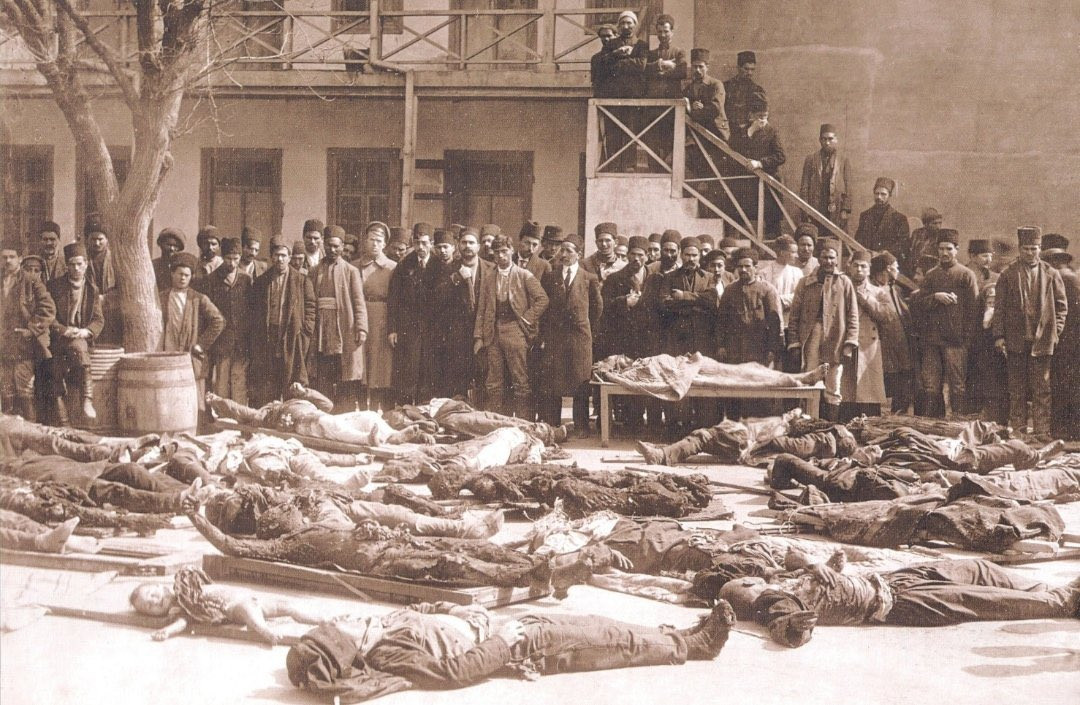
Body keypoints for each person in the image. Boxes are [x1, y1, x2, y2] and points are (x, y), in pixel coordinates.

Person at [286, 600, 734, 701]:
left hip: (500, 629)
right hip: (516, 645)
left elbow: (418, 610)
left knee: (603, 626)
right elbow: (454, 673)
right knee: (609, 639)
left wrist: (451, 609)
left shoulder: (378, 627)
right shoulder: (387, 653)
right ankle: (695, 646)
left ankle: (678, 635)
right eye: (341, 625)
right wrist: (504, 640)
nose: (346, 617)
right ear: (348, 645)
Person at [720, 558, 1080, 648]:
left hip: (894, 578)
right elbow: (784, 626)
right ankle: (1064, 601)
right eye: (749, 583)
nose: (756, 581)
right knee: (983, 601)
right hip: (898, 602)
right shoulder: (774, 600)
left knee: (977, 569)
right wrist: (796, 628)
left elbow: (801, 565)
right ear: (748, 591)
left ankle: (1045, 589)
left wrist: (822, 564)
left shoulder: (781, 581)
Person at [991, 227, 1068, 441]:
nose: (1030, 253)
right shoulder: (1008, 274)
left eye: (1034, 248)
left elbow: (1062, 307)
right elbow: (999, 308)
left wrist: (1055, 332)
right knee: (1017, 389)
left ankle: (1042, 431)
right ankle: (1019, 430)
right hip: (1016, 340)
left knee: (1042, 388)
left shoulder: (1051, 274)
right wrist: (999, 336)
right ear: (1019, 248)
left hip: (1042, 341)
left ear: (1040, 248)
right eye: (1026, 248)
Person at [130, 567, 340, 644]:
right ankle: (264, 631)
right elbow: (182, 623)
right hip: (232, 606)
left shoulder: (184, 587)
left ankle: (322, 619)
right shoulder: (181, 607)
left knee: (288, 606)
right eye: (150, 606)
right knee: (250, 614)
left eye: (152, 595)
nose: (154, 601)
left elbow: (198, 575)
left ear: (159, 586)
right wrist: (167, 631)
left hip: (249, 596)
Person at [207, 383, 433, 446]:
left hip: (318, 415)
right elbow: (240, 411)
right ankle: (367, 439)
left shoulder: (301, 400)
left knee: (369, 415)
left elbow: (328, 404)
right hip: (303, 423)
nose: (276, 400)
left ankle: (393, 435)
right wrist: (218, 401)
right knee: (329, 425)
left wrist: (305, 392)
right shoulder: (269, 413)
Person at [473, 234, 548, 419]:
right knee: (493, 381)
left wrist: (527, 319)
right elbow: (482, 308)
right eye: (497, 252)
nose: (500, 256)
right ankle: (496, 421)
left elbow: (542, 299)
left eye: (504, 251)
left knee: (520, 378)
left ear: (512, 251)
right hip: (493, 333)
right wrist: (479, 337)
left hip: (515, 330)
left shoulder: (523, 275)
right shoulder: (489, 277)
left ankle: (524, 422)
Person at [538, 233, 602, 433]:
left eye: (569, 250)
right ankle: (553, 424)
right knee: (554, 379)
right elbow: (545, 307)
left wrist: (586, 329)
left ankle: (581, 425)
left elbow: (597, 308)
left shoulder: (589, 278)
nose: (563, 254)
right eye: (562, 250)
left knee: (580, 380)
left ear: (578, 254)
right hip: (556, 336)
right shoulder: (551, 276)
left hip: (580, 337)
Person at [911, 229, 979, 418]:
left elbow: (973, 310)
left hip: (956, 341)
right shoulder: (931, 275)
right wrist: (935, 297)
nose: (944, 253)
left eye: (949, 249)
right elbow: (919, 303)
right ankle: (933, 423)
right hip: (932, 340)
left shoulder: (966, 275)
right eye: (941, 249)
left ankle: (957, 421)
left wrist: (966, 340)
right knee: (931, 384)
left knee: (957, 384)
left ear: (957, 249)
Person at [787, 239, 858, 417]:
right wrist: (794, 342)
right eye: (824, 257)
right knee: (809, 379)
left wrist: (849, 343)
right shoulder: (805, 282)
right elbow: (794, 315)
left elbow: (852, 315)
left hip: (836, 338)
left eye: (832, 258)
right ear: (818, 258)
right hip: (811, 336)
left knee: (833, 384)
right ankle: (809, 421)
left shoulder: (844, 282)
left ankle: (830, 423)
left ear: (837, 259)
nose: (828, 261)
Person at [249, 239, 316, 405]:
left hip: (292, 336)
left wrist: (305, 332)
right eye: (276, 255)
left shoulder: (301, 280)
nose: (280, 259)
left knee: (291, 382)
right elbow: (254, 311)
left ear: (289, 257)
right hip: (268, 337)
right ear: (271, 256)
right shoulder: (261, 282)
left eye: (283, 255)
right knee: (268, 384)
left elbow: (311, 307)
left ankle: (289, 415)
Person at [45, 242, 104, 425]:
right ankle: (64, 422)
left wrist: (86, 331)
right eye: (72, 264)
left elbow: (98, 320)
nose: (76, 268)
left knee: (78, 347)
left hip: (80, 338)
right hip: (57, 338)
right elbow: (47, 316)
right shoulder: (54, 287)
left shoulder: (92, 290)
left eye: (79, 264)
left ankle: (87, 400)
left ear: (86, 264)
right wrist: (64, 330)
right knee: (54, 370)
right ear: (66, 265)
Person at [309, 227, 367, 405]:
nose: (332, 250)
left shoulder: (351, 271)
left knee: (344, 372)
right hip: (321, 328)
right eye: (329, 245)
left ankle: (343, 410)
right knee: (322, 371)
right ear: (323, 245)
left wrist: (361, 328)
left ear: (342, 246)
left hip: (344, 325)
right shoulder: (314, 270)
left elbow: (359, 302)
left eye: (336, 246)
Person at [159, 252, 225, 406]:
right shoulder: (162, 297)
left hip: (191, 356)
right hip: (169, 353)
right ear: (172, 273)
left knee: (194, 401)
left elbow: (219, 320)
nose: (183, 278)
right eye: (180, 274)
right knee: (171, 398)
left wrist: (201, 344)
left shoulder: (198, 298)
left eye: (187, 275)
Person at [388, 223, 441, 405]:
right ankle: (405, 409)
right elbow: (394, 299)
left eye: (425, 243)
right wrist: (392, 329)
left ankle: (424, 409)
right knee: (408, 371)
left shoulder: (439, 265)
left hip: (432, 328)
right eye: (417, 243)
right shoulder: (404, 265)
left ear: (431, 243)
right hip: (408, 328)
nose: (421, 247)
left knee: (428, 371)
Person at [1, 248, 54, 420]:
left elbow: (48, 309)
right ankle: (8, 434)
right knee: (6, 390)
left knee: (24, 389)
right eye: (4, 257)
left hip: (23, 345)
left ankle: (31, 430)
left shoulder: (31, 281)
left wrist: (31, 330)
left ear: (20, 258)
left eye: (12, 257)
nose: (8, 261)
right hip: (3, 345)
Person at [203, 238, 253, 405]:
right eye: (228, 258)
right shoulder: (211, 280)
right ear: (222, 257)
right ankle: (222, 415)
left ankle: (240, 415)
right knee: (222, 383)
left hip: (241, 341)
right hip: (222, 341)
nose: (232, 263)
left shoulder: (246, 279)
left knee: (239, 382)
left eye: (236, 258)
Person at [715, 248, 783, 368]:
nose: (743, 270)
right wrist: (721, 346)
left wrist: (772, 349)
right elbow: (721, 320)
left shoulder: (767, 290)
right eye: (740, 266)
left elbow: (774, 323)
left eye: (747, 266)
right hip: (734, 349)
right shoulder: (730, 290)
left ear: (755, 268)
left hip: (759, 348)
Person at [728, 96, 785, 234]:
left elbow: (781, 156)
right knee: (741, 218)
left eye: (765, 116)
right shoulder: (741, 132)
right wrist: (750, 132)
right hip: (747, 185)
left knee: (771, 220)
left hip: (768, 184)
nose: (763, 120)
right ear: (751, 116)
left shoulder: (772, 132)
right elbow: (732, 148)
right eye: (759, 117)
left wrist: (760, 163)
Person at [355, 222, 396, 411]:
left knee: (380, 364)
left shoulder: (392, 267)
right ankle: (362, 407)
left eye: (379, 241)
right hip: (360, 315)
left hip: (382, 316)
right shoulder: (354, 266)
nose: (374, 244)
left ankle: (378, 407)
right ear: (365, 240)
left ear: (385, 244)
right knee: (361, 361)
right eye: (371, 239)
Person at [842, 251, 887, 418]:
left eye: (863, 266)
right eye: (856, 265)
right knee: (846, 386)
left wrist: (866, 299)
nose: (859, 270)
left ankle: (869, 421)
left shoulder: (878, 292)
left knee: (868, 388)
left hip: (869, 344)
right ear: (850, 267)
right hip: (846, 341)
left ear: (869, 270)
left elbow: (886, 315)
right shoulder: (841, 288)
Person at [869, 253, 916, 413]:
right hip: (884, 343)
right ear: (887, 269)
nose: (898, 271)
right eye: (896, 267)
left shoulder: (893, 289)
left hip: (899, 342)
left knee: (902, 379)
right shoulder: (874, 289)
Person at [1043, 235, 1079, 439]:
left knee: (1063, 384)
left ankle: (1064, 430)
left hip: (1065, 340)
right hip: (1068, 339)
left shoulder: (1063, 278)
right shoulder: (1070, 277)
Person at [799, 124, 852, 230]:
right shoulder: (811, 159)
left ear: (836, 139)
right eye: (824, 139)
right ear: (820, 140)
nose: (827, 142)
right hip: (816, 208)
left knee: (835, 236)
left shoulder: (843, 160)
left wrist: (845, 210)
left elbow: (848, 187)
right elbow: (804, 187)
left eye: (830, 139)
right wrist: (806, 211)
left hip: (836, 209)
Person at [854, 177, 910, 257]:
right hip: (867, 260)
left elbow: (902, 245)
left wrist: (880, 254)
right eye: (877, 193)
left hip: (888, 261)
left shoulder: (900, 219)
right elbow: (858, 240)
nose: (879, 197)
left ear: (889, 195)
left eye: (883, 194)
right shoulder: (865, 216)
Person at [756, 235, 804, 327]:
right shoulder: (764, 273)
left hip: (792, 320)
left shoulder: (797, 272)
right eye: (793, 252)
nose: (797, 256)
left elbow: (801, 295)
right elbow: (762, 298)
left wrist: (781, 300)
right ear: (782, 252)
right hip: (771, 321)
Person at [682, 48, 729, 140]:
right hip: (697, 130)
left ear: (707, 67)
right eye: (695, 67)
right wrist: (691, 106)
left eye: (701, 67)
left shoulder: (716, 85)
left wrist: (694, 110)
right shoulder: (689, 88)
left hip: (716, 131)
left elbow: (715, 109)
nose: (697, 70)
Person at [723, 50, 766, 134]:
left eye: (752, 69)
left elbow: (762, 115)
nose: (749, 73)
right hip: (728, 131)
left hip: (749, 132)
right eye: (746, 69)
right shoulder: (726, 87)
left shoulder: (758, 90)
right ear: (738, 68)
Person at [905, 207, 943, 278]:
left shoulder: (941, 238)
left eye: (940, 223)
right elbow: (909, 251)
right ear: (926, 224)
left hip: (931, 273)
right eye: (934, 223)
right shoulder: (917, 233)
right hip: (913, 271)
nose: (938, 227)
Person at [589, 23, 618, 98]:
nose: (606, 39)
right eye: (603, 36)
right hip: (602, 95)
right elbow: (595, 81)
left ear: (616, 36)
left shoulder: (622, 55)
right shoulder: (596, 58)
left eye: (609, 36)